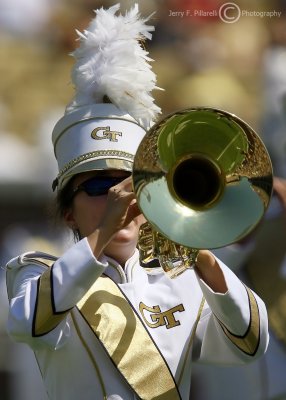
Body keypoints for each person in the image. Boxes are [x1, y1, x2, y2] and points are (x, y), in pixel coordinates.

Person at [5, 4, 269, 400]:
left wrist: (200, 250)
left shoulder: (180, 278)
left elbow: (251, 342)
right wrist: (102, 233)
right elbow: (27, 322)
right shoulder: (38, 272)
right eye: (97, 187)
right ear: (67, 210)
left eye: (130, 184)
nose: (119, 197)